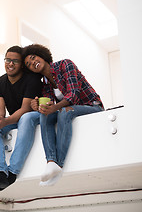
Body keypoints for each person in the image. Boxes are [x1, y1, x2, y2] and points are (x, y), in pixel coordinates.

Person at [22, 44, 104, 186]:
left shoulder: (65, 64)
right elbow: (49, 106)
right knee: (44, 116)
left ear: (41, 55)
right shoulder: (45, 83)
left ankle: (58, 165)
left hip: (93, 106)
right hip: (72, 109)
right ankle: (51, 161)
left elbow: (73, 95)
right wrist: (38, 107)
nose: (32, 63)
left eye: (33, 57)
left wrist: (55, 108)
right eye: (28, 64)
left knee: (65, 112)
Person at [0, 45, 42, 191]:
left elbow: (25, 109)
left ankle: (12, 173)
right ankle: (0, 173)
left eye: (15, 61)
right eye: (8, 60)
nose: (10, 63)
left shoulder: (32, 80)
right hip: (15, 119)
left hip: (34, 115)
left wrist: (5, 121)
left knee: (26, 118)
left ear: (21, 65)